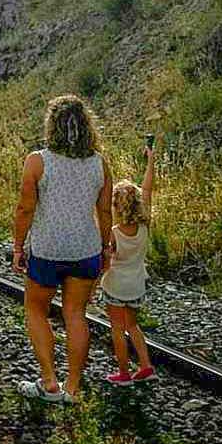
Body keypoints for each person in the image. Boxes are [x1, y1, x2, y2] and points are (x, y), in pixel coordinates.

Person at [12, 94, 112, 402]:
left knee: (35, 310)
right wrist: (105, 248)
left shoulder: (37, 161)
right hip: (85, 250)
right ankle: (72, 388)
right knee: (76, 314)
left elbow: (25, 209)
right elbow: (105, 211)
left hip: (47, 251)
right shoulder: (100, 163)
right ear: (87, 125)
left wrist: (18, 247)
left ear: (51, 126)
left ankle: (48, 382)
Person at [100, 144, 156, 384]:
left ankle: (123, 373)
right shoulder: (144, 226)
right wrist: (151, 161)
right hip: (136, 286)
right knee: (133, 326)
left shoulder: (113, 233)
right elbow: (148, 189)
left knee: (116, 328)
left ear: (116, 206)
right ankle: (146, 367)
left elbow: (106, 262)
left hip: (114, 286)